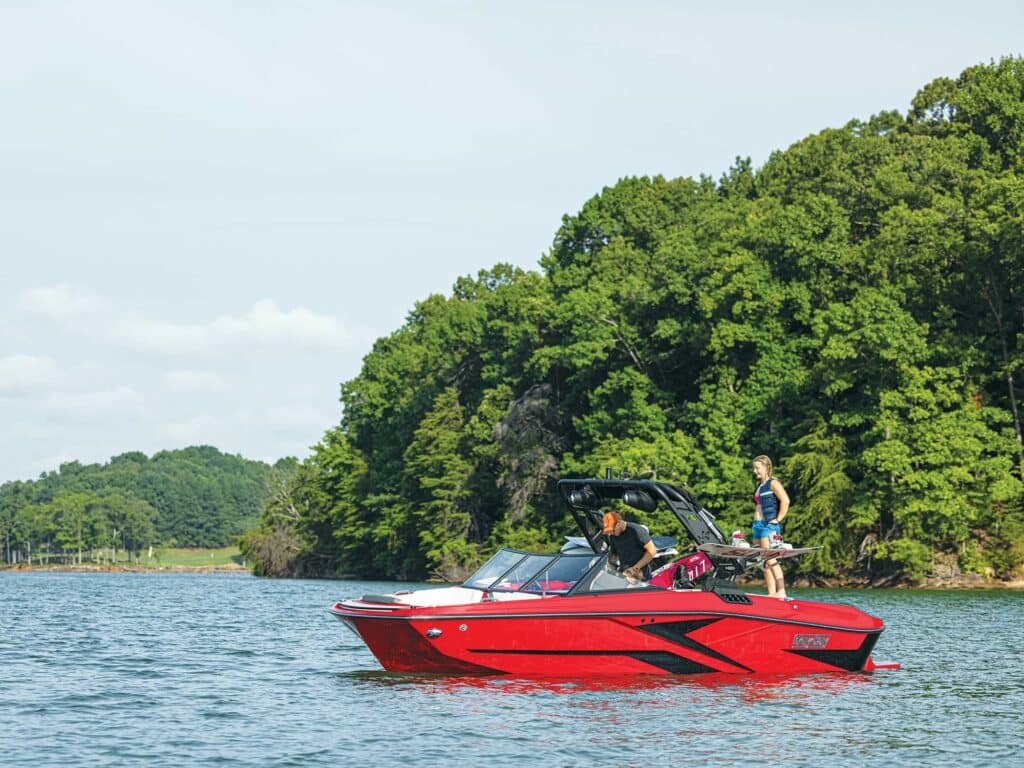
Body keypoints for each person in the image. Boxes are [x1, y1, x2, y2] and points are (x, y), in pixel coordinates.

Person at [751, 454, 790, 598]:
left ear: (767, 467)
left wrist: (777, 519)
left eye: (757, 468)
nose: (755, 471)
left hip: (769, 525)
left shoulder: (773, 483)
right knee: (764, 560)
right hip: (758, 525)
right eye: (754, 468)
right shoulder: (759, 486)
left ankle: (781, 591)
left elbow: (785, 501)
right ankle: (772, 593)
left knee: (771, 558)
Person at [602, 510, 657, 581]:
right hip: (624, 575)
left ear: (619, 522)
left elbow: (652, 552)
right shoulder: (613, 536)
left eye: (612, 530)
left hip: (640, 576)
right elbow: (614, 554)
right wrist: (610, 568)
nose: (611, 533)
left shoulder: (637, 531)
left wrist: (635, 568)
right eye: (609, 531)